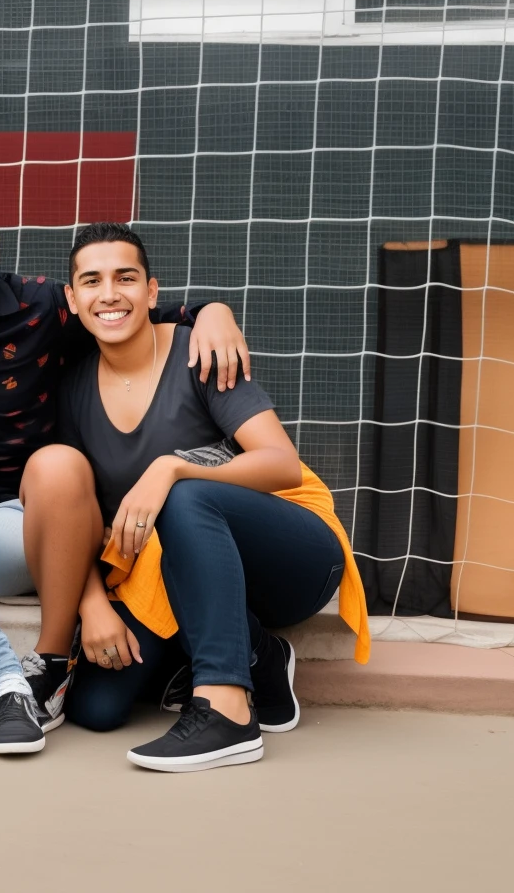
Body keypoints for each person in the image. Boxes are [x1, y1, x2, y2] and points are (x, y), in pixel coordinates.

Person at [0, 182, 250, 729]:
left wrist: (212, 310)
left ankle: (50, 665)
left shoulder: (45, 307)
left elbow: (133, 308)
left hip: (20, 523)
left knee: (58, 464)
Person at [52, 221, 369, 771]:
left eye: (126, 278)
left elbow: (281, 464)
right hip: (175, 568)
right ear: (72, 298)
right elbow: (72, 514)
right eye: (92, 280)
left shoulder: (200, 351)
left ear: (152, 292)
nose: (109, 294)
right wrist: (91, 603)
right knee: (96, 706)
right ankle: (261, 658)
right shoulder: (72, 387)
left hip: (290, 554)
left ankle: (227, 712)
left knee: (184, 498)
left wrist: (172, 467)